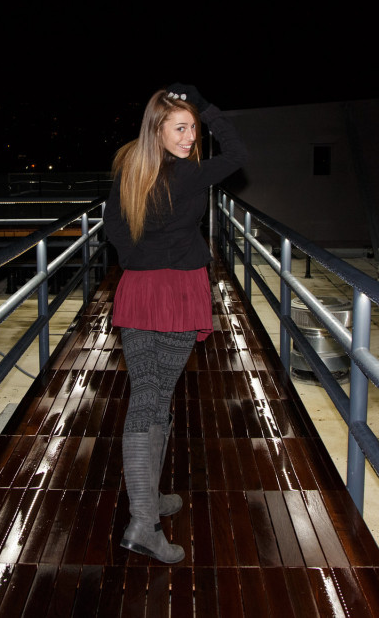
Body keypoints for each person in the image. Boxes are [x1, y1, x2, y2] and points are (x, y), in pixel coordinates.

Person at [103, 83, 247, 563]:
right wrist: (206, 105)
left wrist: (137, 259)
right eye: (181, 128)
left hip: (138, 290)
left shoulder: (129, 166)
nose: (190, 138)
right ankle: (143, 523)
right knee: (153, 397)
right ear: (158, 129)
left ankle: (148, 499)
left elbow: (113, 224)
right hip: (178, 291)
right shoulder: (188, 174)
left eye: (194, 129)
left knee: (149, 395)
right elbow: (239, 154)